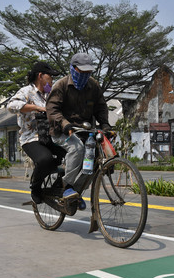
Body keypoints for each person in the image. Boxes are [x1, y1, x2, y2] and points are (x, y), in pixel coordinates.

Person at [47, 53, 112, 203]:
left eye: (87, 72)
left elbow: (101, 107)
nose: (84, 75)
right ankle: (67, 186)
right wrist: (65, 124)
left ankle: (76, 192)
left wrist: (105, 125)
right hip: (62, 131)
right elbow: (52, 110)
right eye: (81, 71)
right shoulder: (61, 85)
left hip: (85, 131)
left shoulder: (93, 85)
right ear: (73, 68)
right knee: (77, 148)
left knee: (96, 159)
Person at [7, 61, 64, 204]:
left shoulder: (50, 94)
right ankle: (35, 186)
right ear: (40, 76)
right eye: (50, 76)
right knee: (46, 160)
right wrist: (36, 107)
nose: (52, 80)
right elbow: (11, 106)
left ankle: (60, 184)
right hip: (31, 139)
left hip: (51, 137)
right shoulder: (27, 91)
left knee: (74, 153)